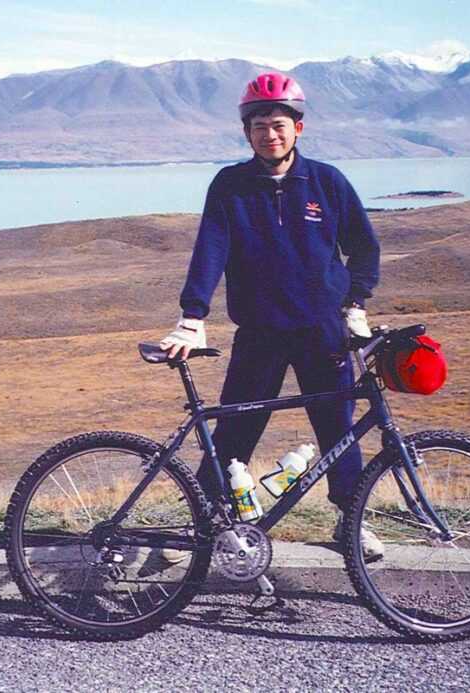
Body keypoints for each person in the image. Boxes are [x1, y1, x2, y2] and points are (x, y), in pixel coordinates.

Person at [159, 72, 384, 560]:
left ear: (298, 128)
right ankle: (204, 524)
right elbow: (210, 251)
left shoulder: (327, 182)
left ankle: (351, 521)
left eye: (279, 124)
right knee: (236, 431)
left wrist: (356, 303)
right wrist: (192, 316)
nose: (269, 134)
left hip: (323, 330)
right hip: (259, 332)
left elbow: (364, 248)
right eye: (258, 125)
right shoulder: (231, 185)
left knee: (337, 432)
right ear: (247, 132)